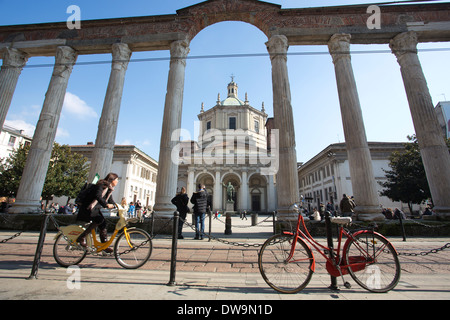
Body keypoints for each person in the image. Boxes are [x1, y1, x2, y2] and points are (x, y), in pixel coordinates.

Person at [76, 173, 119, 253]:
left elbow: (110, 200)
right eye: (116, 180)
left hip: (94, 209)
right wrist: (106, 205)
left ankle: (104, 245)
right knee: (99, 220)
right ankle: (81, 237)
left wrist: (118, 206)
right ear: (112, 180)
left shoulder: (109, 189)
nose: (117, 182)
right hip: (88, 207)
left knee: (103, 223)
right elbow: (98, 196)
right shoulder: (101, 185)